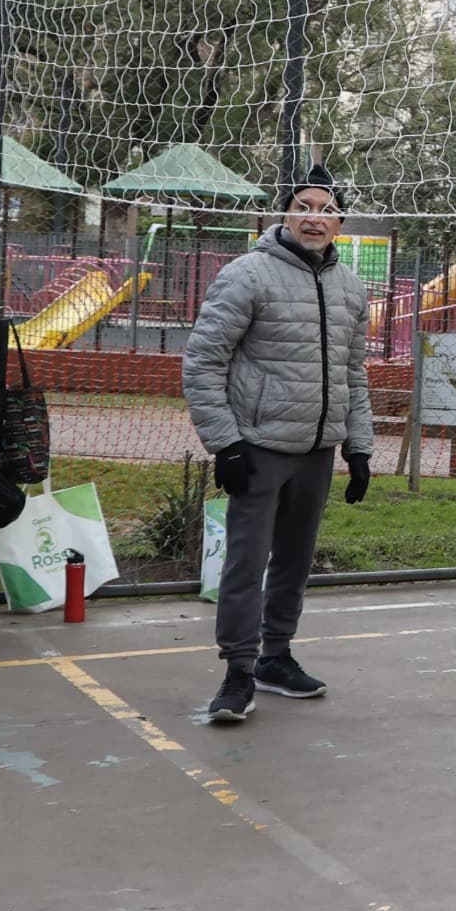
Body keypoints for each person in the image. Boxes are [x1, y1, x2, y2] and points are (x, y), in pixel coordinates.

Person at [181, 167, 374, 725]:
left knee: (294, 560)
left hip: (316, 449)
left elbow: (352, 373)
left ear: (339, 220)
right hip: (259, 446)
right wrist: (225, 444)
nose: (315, 217)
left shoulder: (351, 287)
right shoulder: (248, 275)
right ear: (284, 213)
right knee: (246, 563)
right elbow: (203, 360)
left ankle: (275, 657)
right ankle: (238, 671)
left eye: (326, 208)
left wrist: (358, 448)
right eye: (304, 206)